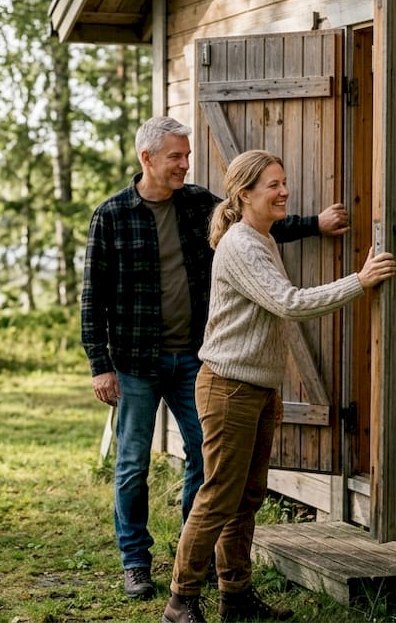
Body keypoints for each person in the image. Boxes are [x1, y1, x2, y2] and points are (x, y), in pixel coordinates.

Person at [81, 117, 350, 601]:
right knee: (132, 464)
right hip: (137, 361)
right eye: (176, 156)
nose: (185, 164)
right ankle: (136, 563)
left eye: (186, 155)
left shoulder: (197, 203)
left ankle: (195, 558)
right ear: (147, 158)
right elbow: (92, 296)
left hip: (194, 357)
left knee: (206, 465)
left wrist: (315, 224)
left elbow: (258, 219)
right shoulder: (113, 215)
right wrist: (100, 365)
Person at [160, 150, 396, 623]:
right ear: (244, 194)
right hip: (228, 388)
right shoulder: (242, 245)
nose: (284, 191)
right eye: (273, 184)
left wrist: (271, 389)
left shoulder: (263, 238)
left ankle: (236, 599)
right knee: (218, 497)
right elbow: (288, 303)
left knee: (246, 498)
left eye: (284, 182)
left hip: (254, 388)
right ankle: (180, 603)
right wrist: (360, 281)